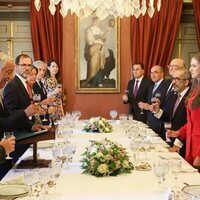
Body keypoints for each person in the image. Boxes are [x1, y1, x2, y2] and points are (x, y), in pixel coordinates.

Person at [167, 53, 200, 169]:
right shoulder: (195, 90)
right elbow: (191, 122)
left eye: (194, 66)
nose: (190, 69)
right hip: (190, 146)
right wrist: (179, 133)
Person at [151, 68, 190, 157]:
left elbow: (190, 123)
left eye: (177, 79)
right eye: (173, 79)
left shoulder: (190, 96)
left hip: (184, 143)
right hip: (172, 140)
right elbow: (169, 117)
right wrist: (158, 111)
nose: (173, 82)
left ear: (186, 82)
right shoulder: (174, 94)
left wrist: (178, 142)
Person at [138, 65, 170, 138]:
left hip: (161, 125)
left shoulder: (167, 85)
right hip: (151, 123)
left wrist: (149, 107)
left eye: (155, 72)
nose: (153, 75)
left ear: (162, 74)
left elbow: (167, 105)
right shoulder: (151, 87)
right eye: (151, 73)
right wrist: (145, 105)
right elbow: (150, 103)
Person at [84, 17, 113, 87]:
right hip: (93, 49)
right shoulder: (89, 30)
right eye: (97, 21)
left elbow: (103, 37)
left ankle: (99, 81)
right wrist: (99, 42)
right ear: (93, 21)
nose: (98, 23)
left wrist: (108, 30)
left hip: (100, 49)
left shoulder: (99, 29)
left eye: (99, 21)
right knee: (93, 64)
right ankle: (90, 81)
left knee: (100, 64)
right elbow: (90, 41)